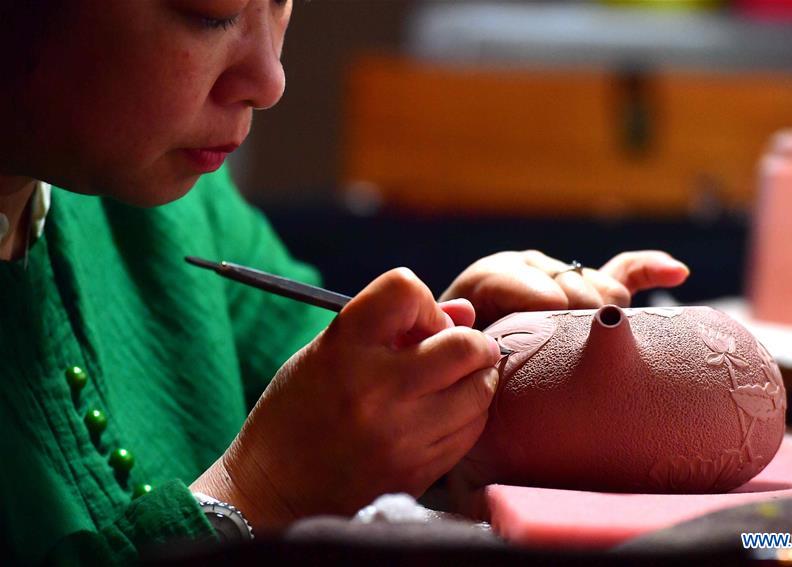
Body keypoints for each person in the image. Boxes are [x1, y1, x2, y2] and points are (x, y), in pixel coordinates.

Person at [0, 1, 689, 564]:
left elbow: (335, 407)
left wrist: (450, 366)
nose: (269, 79)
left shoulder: (174, 204)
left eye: (280, 1)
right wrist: (252, 495)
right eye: (210, 13)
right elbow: (296, 462)